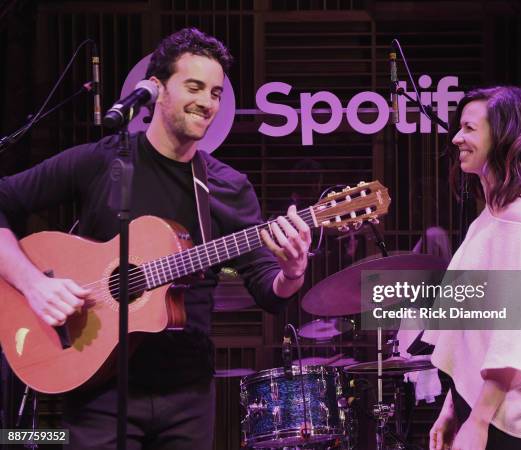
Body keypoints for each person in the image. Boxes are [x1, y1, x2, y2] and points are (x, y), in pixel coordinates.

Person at [0, 28, 311, 449]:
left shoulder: (226, 186)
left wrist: (292, 271)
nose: (207, 102)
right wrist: (33, 283)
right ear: (157, 89)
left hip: (186, 391)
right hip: (96, 380)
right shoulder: (102, 161)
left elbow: (268, 288)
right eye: (195, 87)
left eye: (216, 93)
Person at [424, 86, 521, 450]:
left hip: (505, 419)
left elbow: (513, 334)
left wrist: (480, 420)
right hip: (482, 407)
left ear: (502, 136)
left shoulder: (520, 219)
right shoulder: (490, 216)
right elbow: (472, 330)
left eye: (469, 128)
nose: (457, 138)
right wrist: (453, 407)